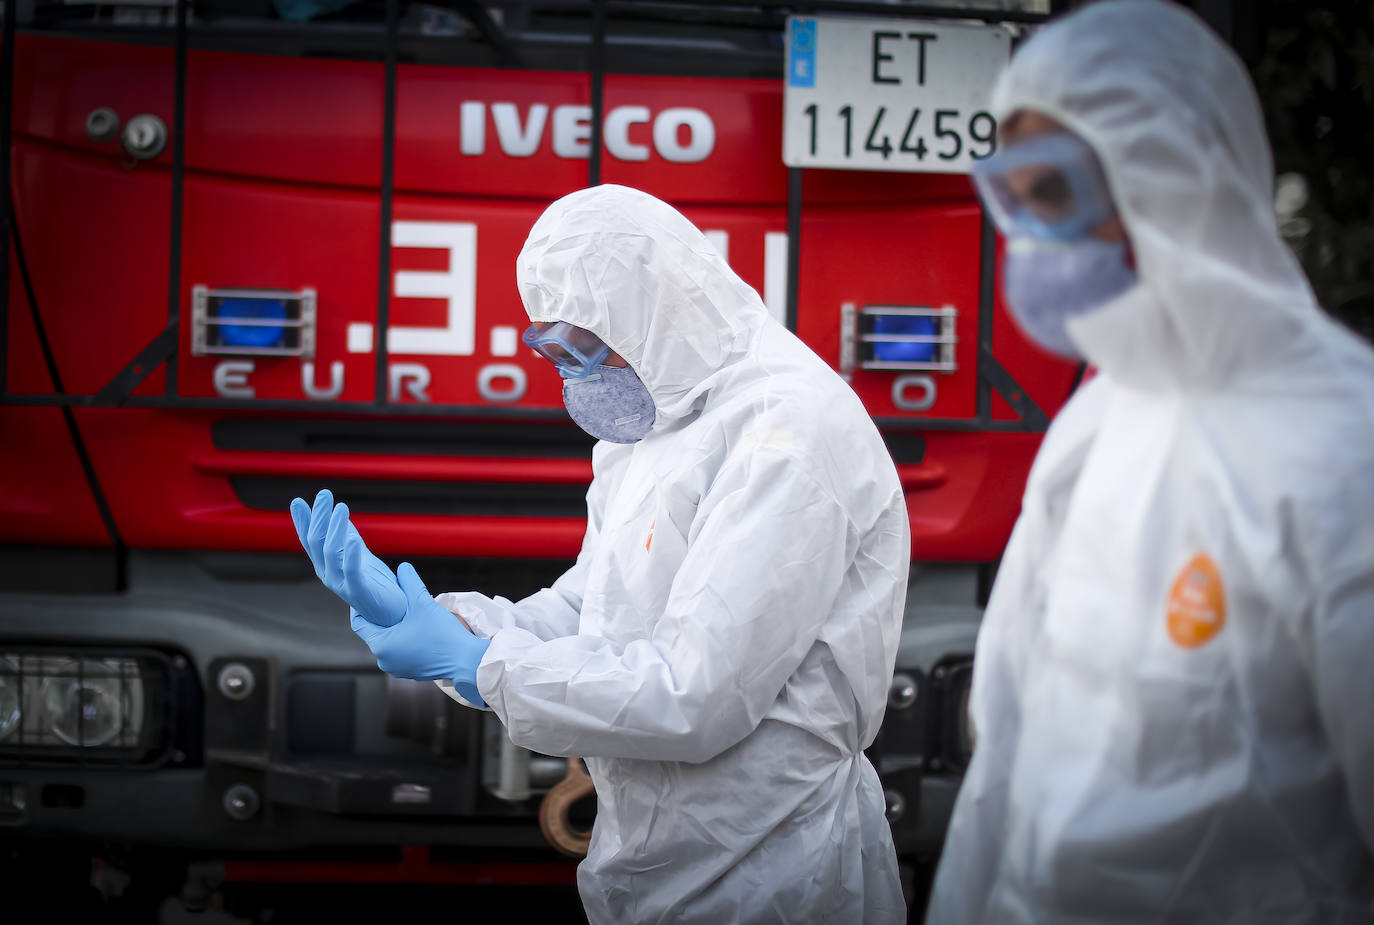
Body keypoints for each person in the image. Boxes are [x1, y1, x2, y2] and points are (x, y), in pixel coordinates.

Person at [291, 184, 912, 924]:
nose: (576, 371)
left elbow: (695, 696)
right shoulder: (659, 424)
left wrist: (483, 667)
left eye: (584, 345)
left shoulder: (789, 434)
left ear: (656, 312)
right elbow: (597, 610)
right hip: (660, 861)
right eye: (553, 348)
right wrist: (453, 624)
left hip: (776, 869)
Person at [924, 2, 1374, 922]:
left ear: (1172, 185)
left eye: (1056, 195)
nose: (1029, 236)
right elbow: (1002, 756)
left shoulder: (1343, 453)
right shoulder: (1100, 417)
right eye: (1012, 198)